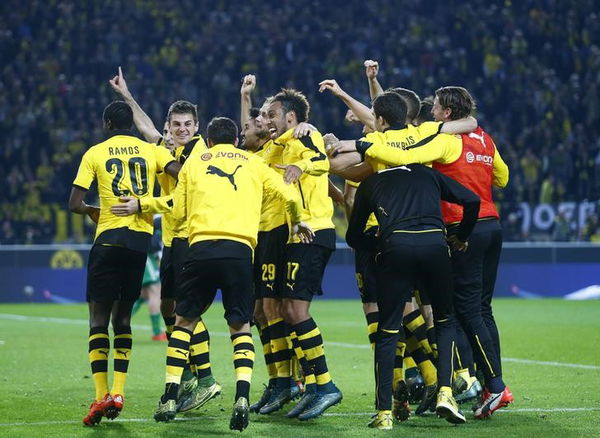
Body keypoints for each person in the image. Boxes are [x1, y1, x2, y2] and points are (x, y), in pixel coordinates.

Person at [152, 117, 313, 432]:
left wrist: (146, 205)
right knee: (240, 327)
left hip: (200, 249)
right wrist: (297, 221)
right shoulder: (254, 164)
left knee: (183, 322)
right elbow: (290, 196)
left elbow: (177, 209)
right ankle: (242, 397)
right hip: (240, 252)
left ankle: (170, 395)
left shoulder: (195, 164)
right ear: (235, 141)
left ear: (209, 141)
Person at [109, 68, 220, 412]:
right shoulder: (168, 148)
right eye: (176, 125)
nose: (182, 130)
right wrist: (126, 96)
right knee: (171, 307)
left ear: (197, 127)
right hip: (173, 241)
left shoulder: (201, 154)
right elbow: (146, 128)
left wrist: (143, 204)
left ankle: (204, 380)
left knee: (187, 312)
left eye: (188, 124)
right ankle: (188, 372)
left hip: (194, 238)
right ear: (169, 126)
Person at [69, 100, 180, 426]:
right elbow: (182, 175)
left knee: (97, 320)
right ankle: (118, 392)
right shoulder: (152, 151)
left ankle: (101, 395)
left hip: (107, 241)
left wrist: (92, 209)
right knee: (123, 321)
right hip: (138, 244)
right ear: (132, 123)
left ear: (107, 124)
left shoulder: (95, 153)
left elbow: (74, 202)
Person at [346, 160, 481, 429]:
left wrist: (378, 245)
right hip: (435, 245)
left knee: (387, 330)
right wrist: (462, 236)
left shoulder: (371, 182)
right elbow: (472, 200)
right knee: (444, 321)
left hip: (395, 247)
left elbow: (353, 236)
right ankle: (446, 391)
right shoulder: (427, 174)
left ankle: (384, 413)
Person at [265, 89, 343, 420]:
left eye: (272, 115)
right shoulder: (280, 145)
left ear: (291, 118)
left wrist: (299, 165)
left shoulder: (305, 135)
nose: (267, 120)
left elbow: (321, 159)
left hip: (312, 231)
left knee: (295, 310)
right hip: (295, 234)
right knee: (285, 309)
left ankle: (324, 385)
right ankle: (311, 385)